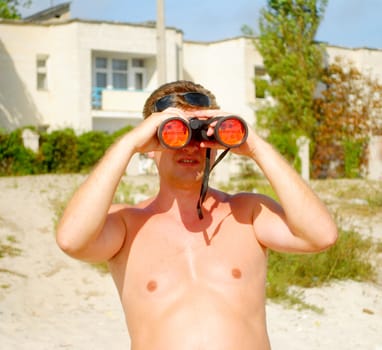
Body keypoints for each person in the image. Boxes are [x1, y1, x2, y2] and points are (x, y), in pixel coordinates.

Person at [56, 80, 338, 350]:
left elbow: (321, 236)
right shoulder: (127, 224)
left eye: (201, 134)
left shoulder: (247, 214)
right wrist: (127, 145)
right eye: (176, 134)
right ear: (152, 145)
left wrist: (256, 147)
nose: (191, 145)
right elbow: (71, 240)